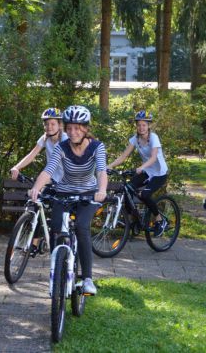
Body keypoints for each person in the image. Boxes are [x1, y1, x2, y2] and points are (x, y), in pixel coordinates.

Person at [28, 105, 107, 295]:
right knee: (57, 227)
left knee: (81, 226)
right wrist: (37, 187)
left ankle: (87, 278)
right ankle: (58, 268)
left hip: (88, 194)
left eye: (78, 128)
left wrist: (102, 189)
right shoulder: (61, 147)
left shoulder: (97, 147)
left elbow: (102, 171)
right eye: (70, 128)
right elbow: (49, 170)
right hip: (63, 193)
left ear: (86, 129)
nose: (73, 132)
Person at [107, 110, 169, 237]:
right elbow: (123, 156)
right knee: (128, 189)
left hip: (159, 173)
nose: (141, 127)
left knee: (144, 195)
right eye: (139, 125)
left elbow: (153, 158)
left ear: (149, 126)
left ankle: (159, 220)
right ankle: (134, 220)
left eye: (144, 125)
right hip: (147, 171)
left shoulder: (154, 138)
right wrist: (109, 166)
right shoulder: (135, 139)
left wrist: (140, 167)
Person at [10, 107, 68, 183]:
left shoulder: (65, 139)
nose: (49, 127)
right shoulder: (45, 138)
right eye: (46, 124)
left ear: (60, 125)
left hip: (69, 181)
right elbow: (32, 155)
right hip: (53, 179)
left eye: (53, 124)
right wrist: (16, 167)